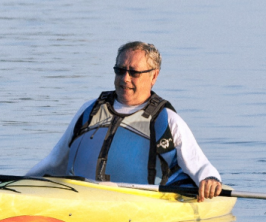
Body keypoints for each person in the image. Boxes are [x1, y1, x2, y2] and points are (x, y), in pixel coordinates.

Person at [25, 42, 223, 198]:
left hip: (144, 208)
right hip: (80, 199)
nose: (125, 78)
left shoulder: (167, 120)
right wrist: (16, 186)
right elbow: (55, 161)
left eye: (134, 72)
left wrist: (210, 179)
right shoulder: (89, 110)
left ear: (154, 76)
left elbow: (199, 165)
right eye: (120, 70)